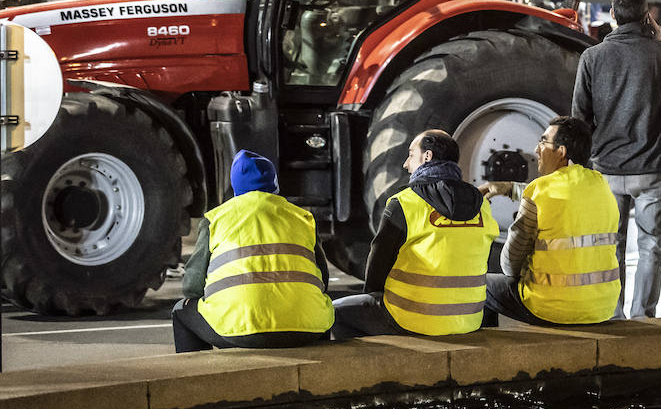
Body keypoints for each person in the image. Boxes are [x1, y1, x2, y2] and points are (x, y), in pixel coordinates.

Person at [571, 0, 661, 319]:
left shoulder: (592, 58)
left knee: (611, 248)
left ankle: (615, 315)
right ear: (646, 15)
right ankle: (643, 316)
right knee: (652, 248)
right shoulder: (656, 51)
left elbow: (579, 117)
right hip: (652, 169)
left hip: (606, 170)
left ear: (612, 15)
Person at [332, 130, 495, 338]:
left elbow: (378, 263)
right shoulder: (481, 205)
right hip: (469, 319)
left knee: (336, 312)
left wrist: (373, 296)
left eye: (410, 154)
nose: (405, 164)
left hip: (411, 319)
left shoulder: (404, 202)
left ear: (427, 157)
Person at [173, 150, 334, 352]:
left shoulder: (215, 220)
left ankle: (199, 380)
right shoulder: (303, 218)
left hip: (239, 331)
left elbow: (192, 286)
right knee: (321, 307)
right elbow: (323, 281)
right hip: (307, 329)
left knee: (181, 310)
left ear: (235, 185)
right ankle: (325, 376)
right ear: (274, 183)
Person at [481, 117, 621, 327]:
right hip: (602, 307)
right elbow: (562, 196)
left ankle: (486, 356)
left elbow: (510, 263)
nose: (537, 149)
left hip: (550, 307)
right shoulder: (601, 184)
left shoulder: (539, 190)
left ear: (561, 151)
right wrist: (507, 187)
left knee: (479, 287)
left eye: (543, 142)